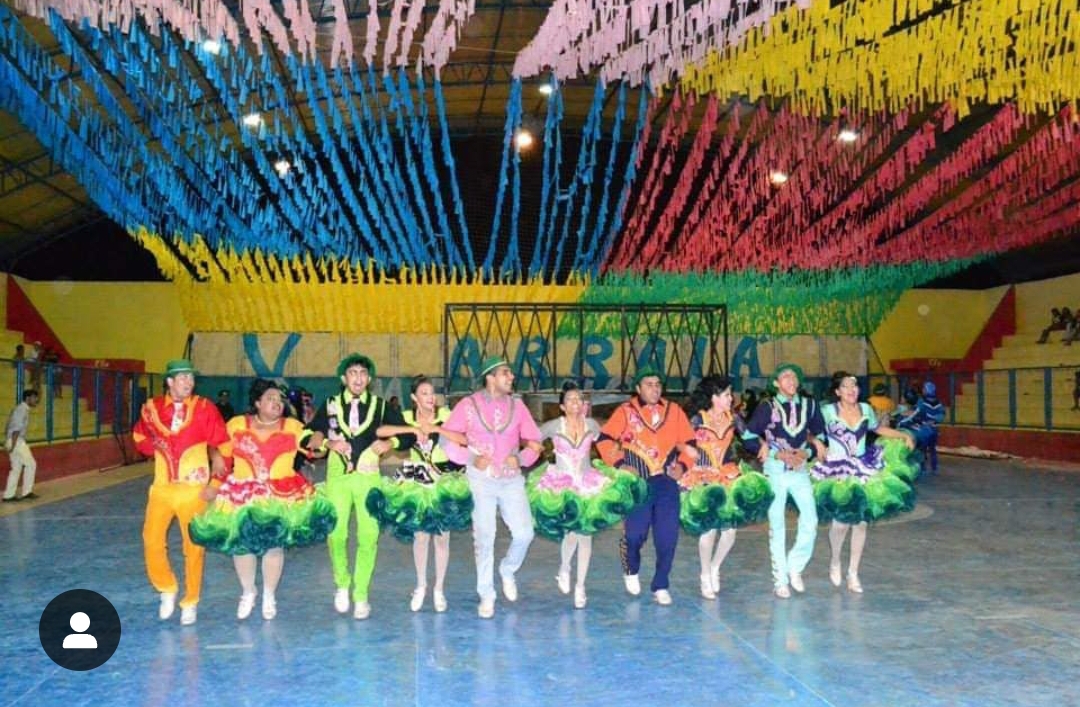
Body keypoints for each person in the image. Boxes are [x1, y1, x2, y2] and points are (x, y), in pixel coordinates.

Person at [190, 379, 336, 620]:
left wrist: (320, 442)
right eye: (270, 398)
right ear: (257, 403)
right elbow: (221, 451)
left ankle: (269, 594)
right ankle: (248, 591)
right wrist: (215, 473)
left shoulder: (293, 426)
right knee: (242, 545)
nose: (277, 403)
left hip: (280, 495)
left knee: (274, 546)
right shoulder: (237, 424)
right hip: (243, 494)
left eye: (279, 399)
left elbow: (314, 450)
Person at [304, 353, 408, 620]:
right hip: (337, 477)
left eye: (363, 373)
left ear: (369, 379)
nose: (358, 378)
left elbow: (407, 434)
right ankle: (342, 583)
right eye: (353, 373)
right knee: (336, 533)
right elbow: (309, 434)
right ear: (344, 378)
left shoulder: (380, 406)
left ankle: (361, 595)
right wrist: (327, 443)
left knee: (369, 536)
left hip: (368, 478)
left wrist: (390, 443)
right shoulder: (330, 405)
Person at [439, 356, 544, 619]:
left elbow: (535, 441)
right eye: (505, 373)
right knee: (484, 537)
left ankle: (508, 569)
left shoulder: (518, 407)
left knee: (525, 534)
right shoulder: (468, 405)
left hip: (511, 480)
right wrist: (470, 458)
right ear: (490, 377)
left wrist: (521, 459)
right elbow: (445, 440)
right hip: (481, 480)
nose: (511, 377)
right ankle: (487, 594)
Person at [528, 382, 644, 609]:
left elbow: (607, 443)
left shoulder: (591, 424)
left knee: (585, 535)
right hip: (563, 484)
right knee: (571, 533)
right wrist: (528, 452)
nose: (576, 402)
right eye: (570, 399)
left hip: (587, 483)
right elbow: (532, 439)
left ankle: (580, 586)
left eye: (579, 398)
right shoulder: (554, 426)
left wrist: (620, 461)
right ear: (562, 406)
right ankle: (564, 568)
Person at [132, 359, 229, 625]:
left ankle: (191, 600)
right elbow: (139, 436)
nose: (189, 382)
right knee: (151, 539)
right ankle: (166, 587)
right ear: (170, 381)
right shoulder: (151, 408)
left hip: (193, 490)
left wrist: (215, 484)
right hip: (162, 488)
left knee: (194, 546)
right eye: (183, 377)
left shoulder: (204, 408)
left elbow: (224, 445)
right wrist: (156, 449)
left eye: (191, 378)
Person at [596, 368, 697, 606]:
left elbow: (690, 443)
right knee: (634, 535)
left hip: (666, 482)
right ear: (638, 388)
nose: (654, 388)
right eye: (649, 384)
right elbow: (604, 439)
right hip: (638, 484)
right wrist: (620, 464)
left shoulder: (674, 411)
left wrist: (683, 465)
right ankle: (631, 567)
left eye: (658, 384)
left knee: (667, 537)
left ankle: (661, 584)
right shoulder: (625, 411)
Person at [372, 375, 471, 613]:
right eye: (424, 393)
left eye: (432, 393)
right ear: (414, 397)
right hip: (417, 482)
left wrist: (436, 428)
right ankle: (421, 585)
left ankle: (439, 589)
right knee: (420, 536)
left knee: (442, 537)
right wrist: (410, 430)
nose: (430, 397)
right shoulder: (406, 417)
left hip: (443, 481)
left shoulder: (445, 414)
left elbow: (464, 439)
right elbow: (381, 430)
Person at [810, 372, 917, 594]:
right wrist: (818, 444)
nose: (852, 390)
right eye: (846, 386)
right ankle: (835, 560)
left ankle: (853, 573)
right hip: (837, 469)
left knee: (861, 522)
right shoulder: (827, 411)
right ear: (837, 391)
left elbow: (878, 429)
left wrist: (902, 435)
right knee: (840, 524)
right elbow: (809, 432)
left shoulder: (866, 409)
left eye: (855, 386)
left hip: (862, 468)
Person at [679, 376, 772, 599]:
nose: (731, 398)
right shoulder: (698, 418)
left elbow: (748, 436)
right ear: (714, 397)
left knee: (730, 531)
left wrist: (763, 444)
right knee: (709, 529)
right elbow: (679, 438)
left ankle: (715, 567)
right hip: (703, 476)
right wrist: (686, 450)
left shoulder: (734, 417)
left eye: (731, 394)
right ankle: (704, 575)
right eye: (727, 395)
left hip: (726, 474)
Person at [742, 363, 827, 599]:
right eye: (785, 377)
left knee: (811, 519)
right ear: (776, 383)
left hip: (799, 469)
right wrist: (773, 452)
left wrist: (807, 452)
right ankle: (780, 579)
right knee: (777, 524)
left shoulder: (810, 405)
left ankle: (795, 566)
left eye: (793, 377)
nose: (790, 380)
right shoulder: (767, 407)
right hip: (775, 469)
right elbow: (748, 436)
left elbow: (821, 435)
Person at [896, 381, 946, 474]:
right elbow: (942, 415)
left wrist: (902, 422)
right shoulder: (939, 403)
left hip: (924, 431)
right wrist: (934, 420)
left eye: (924, 388)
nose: (923, 390)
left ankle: (923, 468)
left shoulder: (922, 402)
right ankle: (934, 468)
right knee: (933, 449)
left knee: (922, 450)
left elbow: (915, 414)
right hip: (934, 430)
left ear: (927, 390)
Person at [3, 389, 40, 502]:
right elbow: (16, 428)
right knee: (31, 464)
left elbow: (8, 426)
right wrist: (13, 444)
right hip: (17, 441)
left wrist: (8, 441)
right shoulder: (22, 410)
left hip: (13, 440)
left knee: (16, 468)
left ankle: (8, 495)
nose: (36, 400)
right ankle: (27, 492)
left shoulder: (19, 409)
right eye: (34, 398)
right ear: (27, 398)